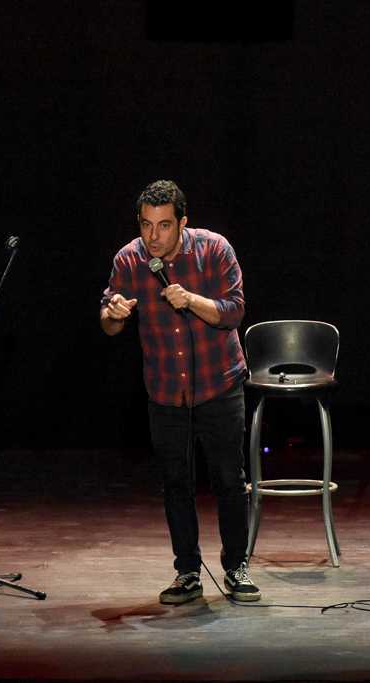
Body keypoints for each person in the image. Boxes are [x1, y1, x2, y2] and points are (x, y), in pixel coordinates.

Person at [100, 180, 260, 603]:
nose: (153, 236)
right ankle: (187, 571)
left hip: (218, 383)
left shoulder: (214, 249)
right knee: (175, 483)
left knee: (229, 480)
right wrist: (114, 314)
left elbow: (234, 312)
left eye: (164, 225)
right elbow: (109, 323)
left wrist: (190, 300)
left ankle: (236, 566)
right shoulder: (129, 259)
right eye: (146, 225)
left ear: (183, 222)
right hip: (166, 391)